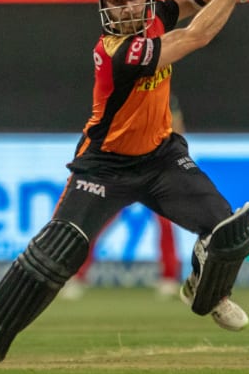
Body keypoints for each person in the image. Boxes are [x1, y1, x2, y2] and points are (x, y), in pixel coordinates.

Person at [0, 0, 249, 363]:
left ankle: (206, 289)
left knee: (230, 233)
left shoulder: (155, 16)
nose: (125, 9)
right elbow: (196, 35)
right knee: (59, 248)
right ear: (103, 7)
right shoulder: (117, 52)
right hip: (103, 166)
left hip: (161, 159)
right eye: (115, 1)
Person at [59, 94, 189, 301]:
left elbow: (177, 129)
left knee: (165, 224)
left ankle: (169, 279)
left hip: (154, 171)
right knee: (96, 222)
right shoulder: (121, 89)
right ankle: (77, 276)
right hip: (122, 170)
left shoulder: (162, 94)